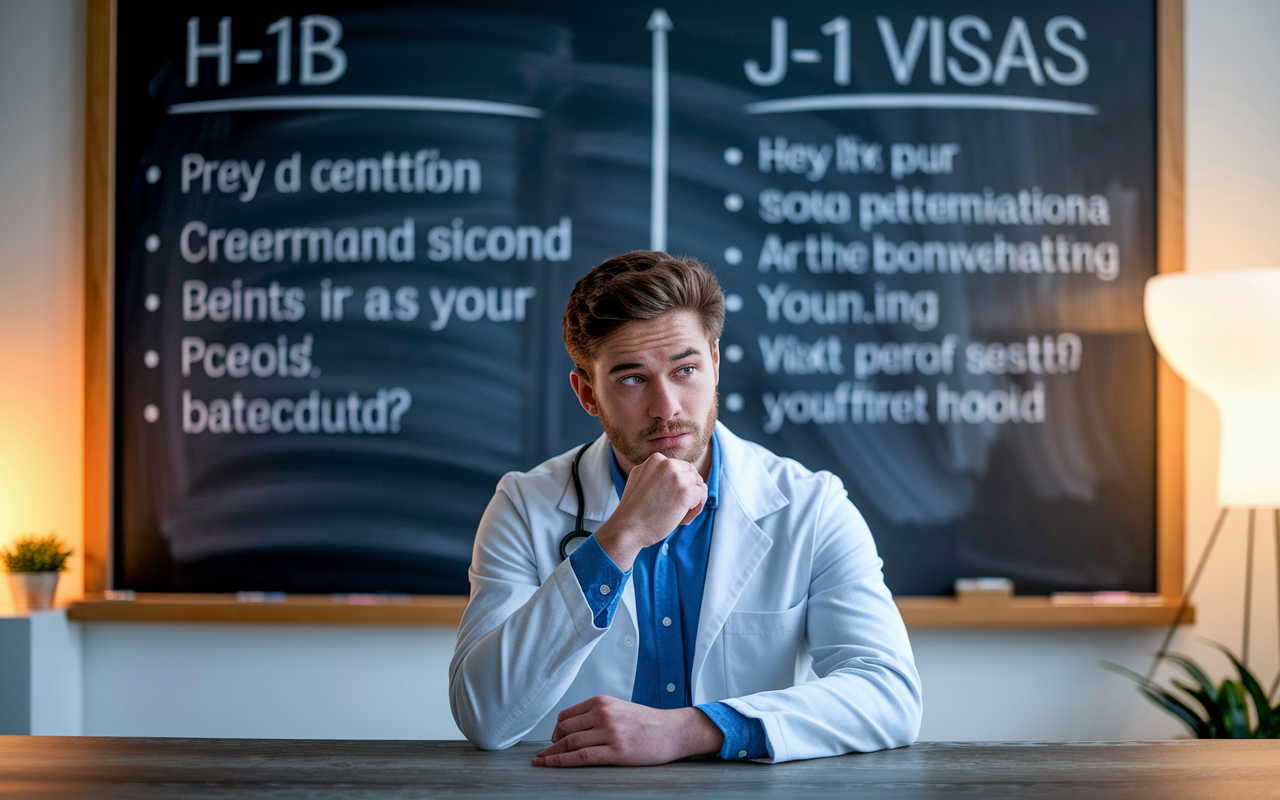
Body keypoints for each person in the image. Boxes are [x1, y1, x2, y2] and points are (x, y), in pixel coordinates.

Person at [449, 251, 921, 765]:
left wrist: (689, 731)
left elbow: (889, 695)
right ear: (587, 392)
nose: (667, 407)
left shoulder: (811, 505)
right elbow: (486, 717)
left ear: (715, 364)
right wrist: (619, 537)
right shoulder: (524, 504)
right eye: (632, 379)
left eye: (686, 369)